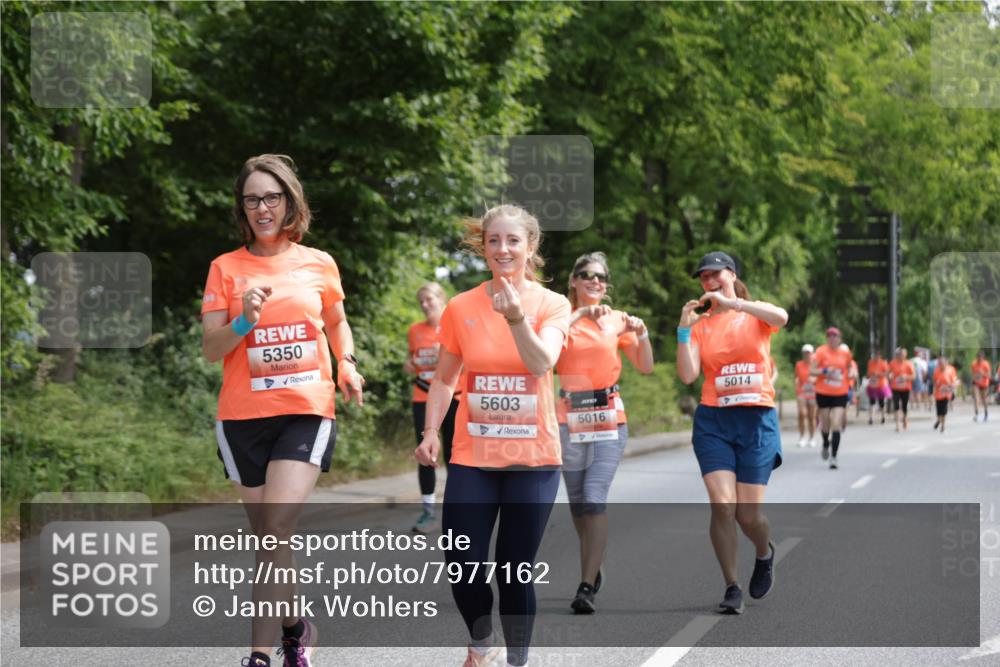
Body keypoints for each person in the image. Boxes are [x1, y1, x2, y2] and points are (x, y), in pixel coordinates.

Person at [201, 155, 365, 667]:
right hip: (243, 417)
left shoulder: (318, 262)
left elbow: (336, 322)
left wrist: (347, 365)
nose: (262, 207)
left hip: (305, 409)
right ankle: (296, 628)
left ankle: (258, 656)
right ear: (242, 208)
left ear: (290, 201)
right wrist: (246, 321)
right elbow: (212, 347)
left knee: (273, 532)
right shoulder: (225, 269)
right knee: (272, 542)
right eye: (252, 199)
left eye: (271, 197)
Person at [414, 204, 571, 667]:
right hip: (471, 456)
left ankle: (517, 661)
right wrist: (430, 432)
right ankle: (482, 643)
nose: (503, 249)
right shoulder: (461, 306)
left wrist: (517, 317)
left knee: (514, 570)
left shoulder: (551, 304)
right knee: (461, 563)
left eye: (513, 241)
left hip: (534, 460)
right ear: (483, 247)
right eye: (493, 241)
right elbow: (444, 379)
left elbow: (543, 363)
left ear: (531, 246)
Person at [677, 251, 787, 615]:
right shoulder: (700, 326)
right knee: (723, 505)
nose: (708, 281)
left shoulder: (752, 313)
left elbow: (782, 317)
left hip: (756, 420)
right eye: (703, 276)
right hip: (714, 422)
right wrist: (683, 327)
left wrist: (737, 303)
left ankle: (764, 551)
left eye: (715, 274)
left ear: (731, 275)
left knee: (748, 516)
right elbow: (689, 375)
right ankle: (731, 585)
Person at [556, 252, 654, 614]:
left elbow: (645, 366)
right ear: (573, 281)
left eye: (600, 277)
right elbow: (543, 358)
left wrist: (641, 334)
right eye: (585, 275)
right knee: (579, 503)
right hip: (568, 418)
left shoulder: (617, 321)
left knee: (595, 497)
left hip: (608, 418)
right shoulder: (558, 318)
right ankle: (594, 562)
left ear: (607, 284)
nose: (594, 281)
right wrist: (580, 315)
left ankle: (585, 585)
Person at [405, 282, 460, 533]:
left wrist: (444, 356)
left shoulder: (455, 326)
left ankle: (456, 508)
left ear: (441, 298)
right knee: (425, 454)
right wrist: (409, 363)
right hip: (422, 397)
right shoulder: (415, 330)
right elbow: (412, 357)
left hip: (454, 397)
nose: (426, 305)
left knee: (453, 454)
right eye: (422, 302)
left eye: (430, 299)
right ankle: (428, 513)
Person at [811, 328, 854, 470]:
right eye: (829, 336)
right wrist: (824, 371)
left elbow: (850, 367)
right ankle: (825, 443)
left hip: (840, 392)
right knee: (825, 424)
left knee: (836, 424)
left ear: (839, 338)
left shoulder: (845, 353)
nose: (832, 338)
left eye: (835, 336)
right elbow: (812, 370)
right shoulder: (821, 352)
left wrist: (852, 373)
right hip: (823, 392)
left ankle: (834, 456)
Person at [794, 344, 818, 447]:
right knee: (802, 414)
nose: (807, 355)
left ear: (812, 354)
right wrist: (796, 382)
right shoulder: (799, 364)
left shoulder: (815, 364)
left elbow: (820, 377)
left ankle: (812, 438)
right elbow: (796, 377)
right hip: (802, 391)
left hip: (812, 392)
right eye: (805, 353)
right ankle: (802, 437)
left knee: (811, 416)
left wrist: (814, 380)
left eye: (808, 353)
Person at [888, 347, 915, 432]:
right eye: (900, 354)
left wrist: (906, 377)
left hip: (905, 388)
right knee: (896, 405)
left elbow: (914, 376)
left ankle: (905, 418)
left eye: (903, 354)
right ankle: (897, 425)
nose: (901, 356)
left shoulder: (909, 364)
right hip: (895, 387)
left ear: (905, 355)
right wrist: (890, 376)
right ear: (897, 355)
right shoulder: (892, 363)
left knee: (904, 406)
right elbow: (889, 373)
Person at [933, 355, 959, 433]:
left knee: (944, 411)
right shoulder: (936, 371)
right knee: (938, 411)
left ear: (946, 363)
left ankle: (943, 426)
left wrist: (952, 385)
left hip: (947, 394)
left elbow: (955, 381)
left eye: (942, 363)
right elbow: (934, 382)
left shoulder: (951, 370)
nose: (940, 364)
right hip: (938, 394)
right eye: (939, 363)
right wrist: (936, 384)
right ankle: (939, 420)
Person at [865, 350, 891, 425]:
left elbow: (887, 373)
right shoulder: (870, 362)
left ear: (880, 356)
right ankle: (871, 418)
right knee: (872, 402)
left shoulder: (883, 363)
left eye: (877, 355)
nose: (876, 357)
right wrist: (869, 375)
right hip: (872, 385)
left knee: (881, 402)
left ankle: (883, 417)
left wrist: (879, 374)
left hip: (881, 385)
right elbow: (868, 373)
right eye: (875, 355)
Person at [971, 351, 991, 422]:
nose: (979, 359)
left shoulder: (986, 364)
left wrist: (983, 374)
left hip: (984, 384)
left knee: (984, 400)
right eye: (978, 358)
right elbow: (973, 373)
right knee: (976, 398)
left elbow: (989, 375)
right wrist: (975, 377)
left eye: (981, 358)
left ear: (983, 358)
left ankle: (986, 413)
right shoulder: (974, 364)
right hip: (976, 383)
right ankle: (976, 414)